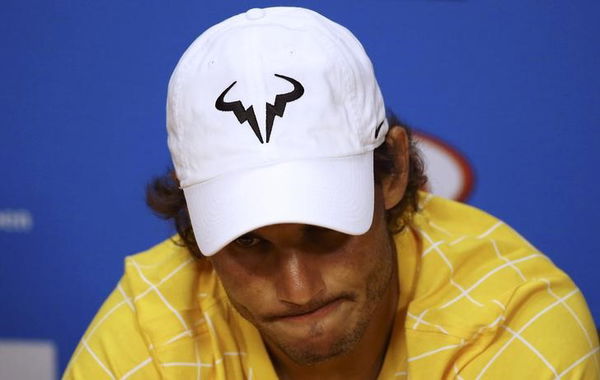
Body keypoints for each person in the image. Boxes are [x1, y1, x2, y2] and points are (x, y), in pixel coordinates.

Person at [63, 7, 599, 379]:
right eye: (249, 243)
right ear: (192, 213)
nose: (296, 289)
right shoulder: (153, 326)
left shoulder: (510, 323)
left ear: (389, 174)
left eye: (323, 231)